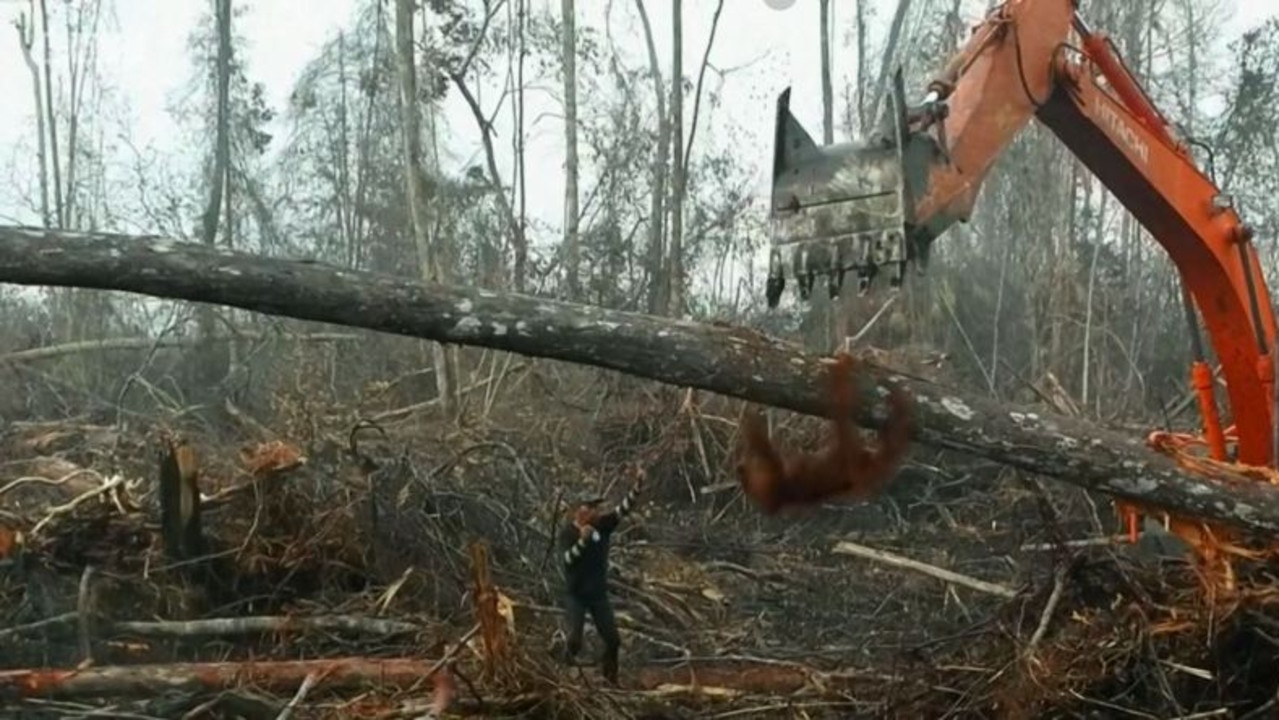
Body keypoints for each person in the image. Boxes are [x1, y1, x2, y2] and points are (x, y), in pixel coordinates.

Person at [558, 467, 644, 685]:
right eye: (590, 506)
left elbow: (623, 509)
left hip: (598, 595)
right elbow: (568, 560)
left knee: (613, 640)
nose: (595, 511)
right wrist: (583, 541)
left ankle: (611, 678)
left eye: (596, 507)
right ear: (578, 510)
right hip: (576, 594)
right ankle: (561, 674)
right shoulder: (568, 533)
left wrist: (638, 485)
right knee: (575, 638)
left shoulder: (602, 525)